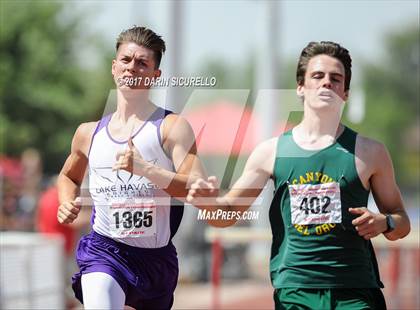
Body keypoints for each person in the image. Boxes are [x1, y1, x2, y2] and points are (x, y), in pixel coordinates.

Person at [187, 41, 411, 309]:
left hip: (355, 291)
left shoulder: (370, 152)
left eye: (335, 78)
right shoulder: (270, 152)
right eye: (317, 76)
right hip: (295, 291)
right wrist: (206, 202)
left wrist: (384, 223)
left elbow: (402, 222)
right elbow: (228, 212)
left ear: (346, 92)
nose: (326, 83)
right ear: (301, 87)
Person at [57, 26, 205, 309]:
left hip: (155, 260)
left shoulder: (171, 128)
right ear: (114, 68)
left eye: (142, 63)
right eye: (125, 60)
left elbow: (194, 188)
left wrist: (147, 169)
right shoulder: (88, 133)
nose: (131, 68)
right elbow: (68, 175)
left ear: (155, 75)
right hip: (104, 251)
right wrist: (66, 201)